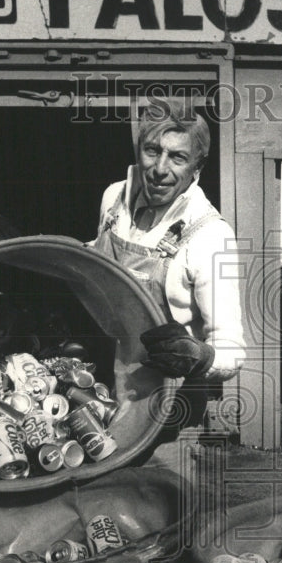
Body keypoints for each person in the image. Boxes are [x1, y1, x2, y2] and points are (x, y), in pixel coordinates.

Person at [90, 97, 246, 445]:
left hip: (165, 418)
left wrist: (200, 356)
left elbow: (233, 350)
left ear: (197, 167)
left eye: (177, 157)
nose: (160, 169)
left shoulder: (209, 235)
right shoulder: (113, 199)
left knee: (152, 498)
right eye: (152, 150)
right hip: (96, 399)